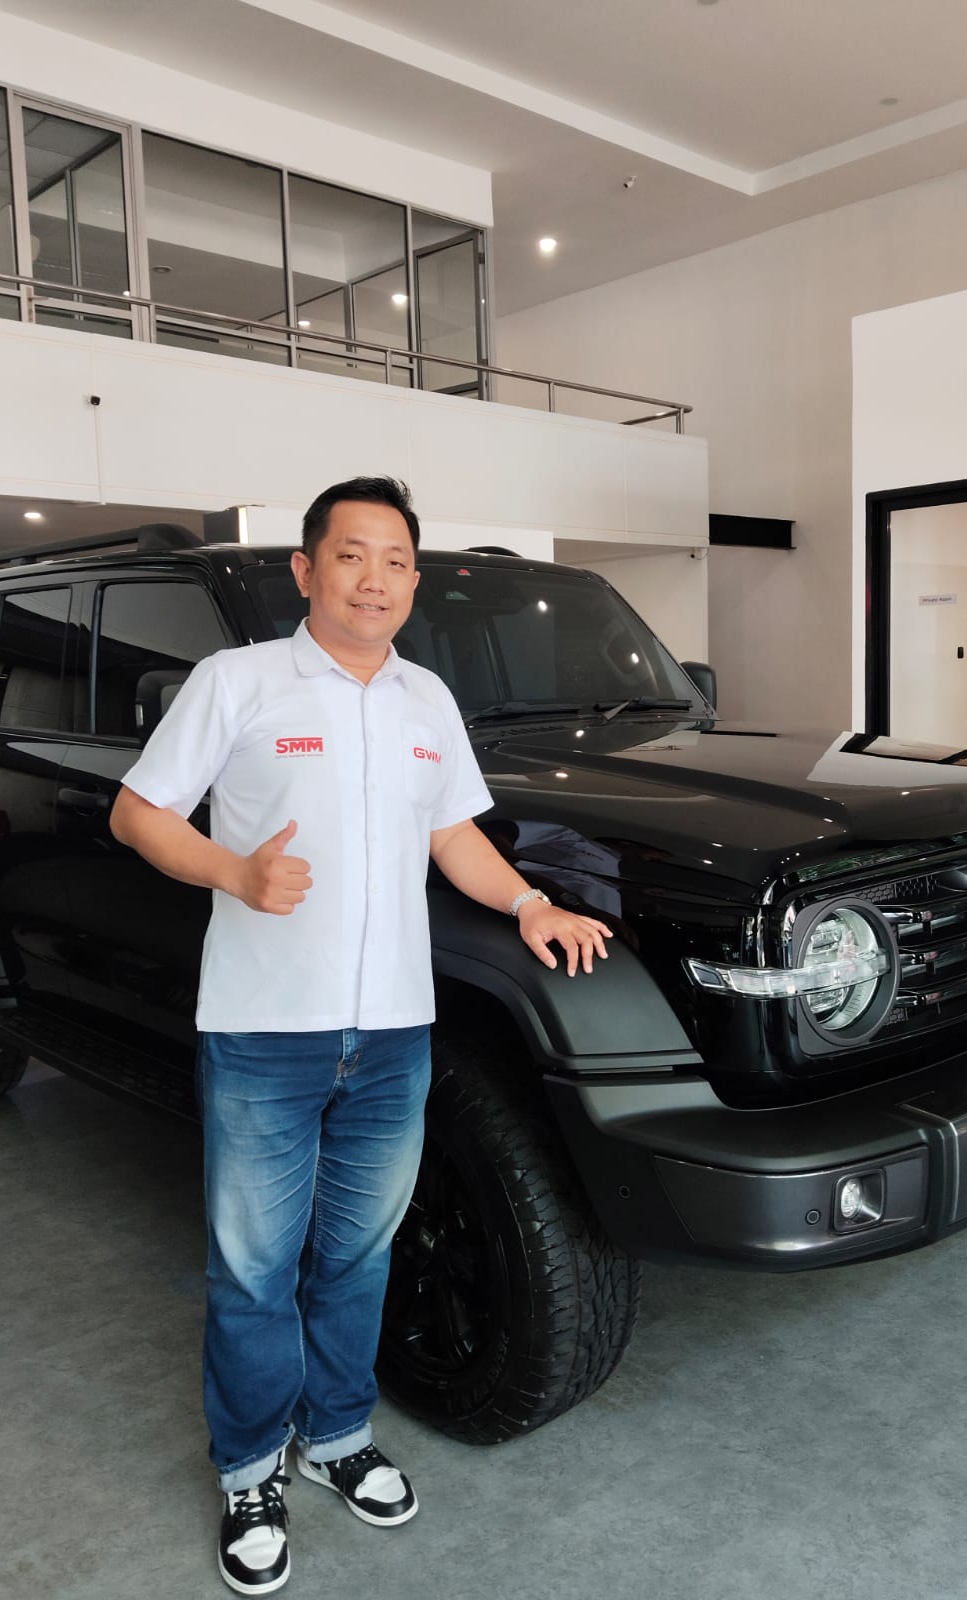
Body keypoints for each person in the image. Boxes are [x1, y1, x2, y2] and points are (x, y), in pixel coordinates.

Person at [110, 477, 611, 1595]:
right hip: (264, 1033)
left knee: (358, 1256)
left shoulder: (428, 699)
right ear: (306, 569)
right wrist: (233, 871)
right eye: (350, 555)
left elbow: (454, 836)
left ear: (413, 581)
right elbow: (137, 811)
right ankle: (250, 1469)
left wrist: (530, 903)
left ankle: (336, 1436)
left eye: (394, 561)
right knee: (253, 1270)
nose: (373, 579)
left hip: (392, 1036)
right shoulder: (237, 682)